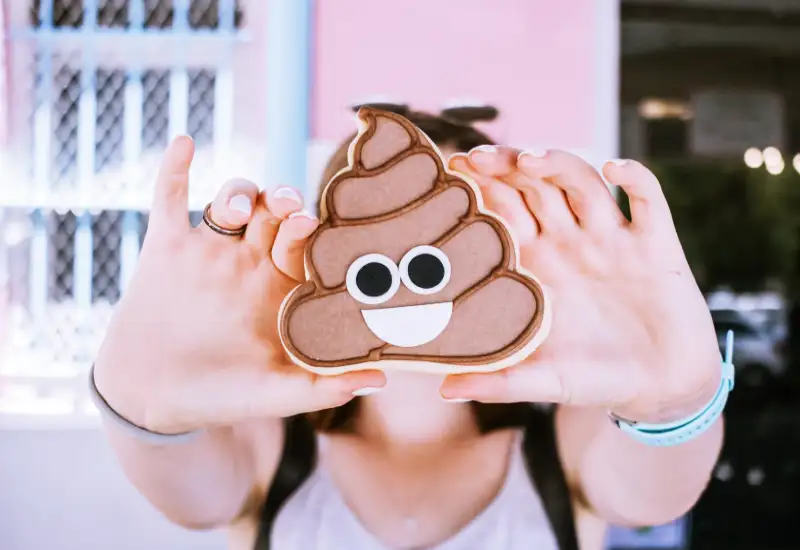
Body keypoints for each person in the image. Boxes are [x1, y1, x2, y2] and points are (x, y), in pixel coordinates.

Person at [92, 105, 727, 550]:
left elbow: (653, 495)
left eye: (453, 231)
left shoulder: (565, 442)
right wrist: (139, 408)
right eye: (383, 232)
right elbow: (191, 497)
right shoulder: (268, 444)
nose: (420, 273)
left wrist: (676, 404)